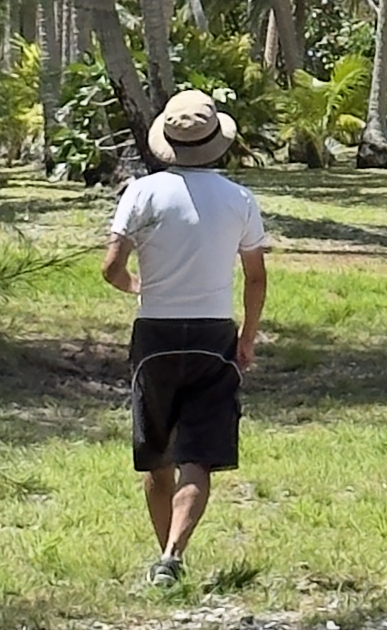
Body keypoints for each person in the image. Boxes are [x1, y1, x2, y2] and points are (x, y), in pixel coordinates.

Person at [103, 88, 269, 587]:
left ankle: (166, 561)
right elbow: (256, 277)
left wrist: (139, 287)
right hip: (213, 334)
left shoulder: (140, 193)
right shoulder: (238, 199)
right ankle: (172, 556)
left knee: (156, 459)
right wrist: (247, 338)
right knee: (198, 457)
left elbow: (111, 268)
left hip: (154, 334)